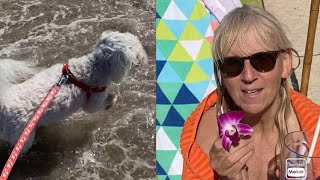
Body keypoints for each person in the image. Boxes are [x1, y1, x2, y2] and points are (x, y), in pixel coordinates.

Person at [180, 5, 320, 179]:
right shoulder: (205, 136)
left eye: (262, 60)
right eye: (232, 64)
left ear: (285, 63)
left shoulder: (314, 131)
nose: (248, 76)